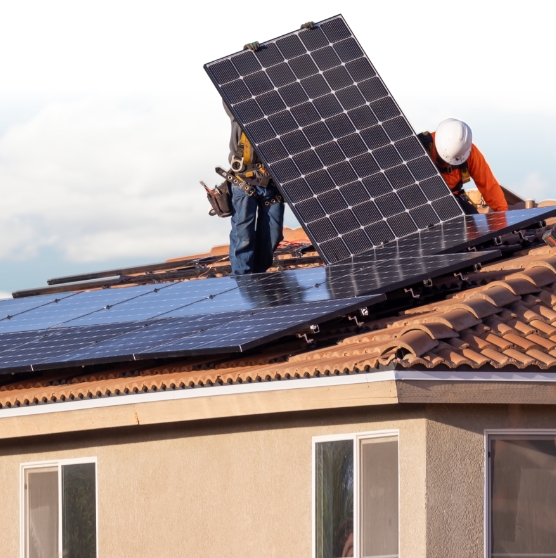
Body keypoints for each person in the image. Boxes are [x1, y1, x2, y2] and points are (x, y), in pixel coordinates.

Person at [224, 90, 284, 275]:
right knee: (243, 236)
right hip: (244, 179)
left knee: (273, 235)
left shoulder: (281, 109)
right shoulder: (239, 107)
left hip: (272, 181)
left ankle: (257, 278)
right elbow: (229, 93)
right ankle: (243, 281)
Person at [418, 118, 508, 214]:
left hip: (453, 199)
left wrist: (503, 214)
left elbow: (488, 185)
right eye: (444, 160)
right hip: (421, 200)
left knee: (473, 224)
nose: (447, 164)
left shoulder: (469, 152)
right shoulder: (417, 148)